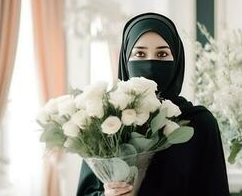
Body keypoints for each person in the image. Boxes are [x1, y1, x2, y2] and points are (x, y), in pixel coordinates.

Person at [76, 12, 230, 196]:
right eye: (140, 53)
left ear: (177, 61)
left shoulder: (200, 123)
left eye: (162, 54)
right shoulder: (105, 120)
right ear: (125, 60)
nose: (150, 64)